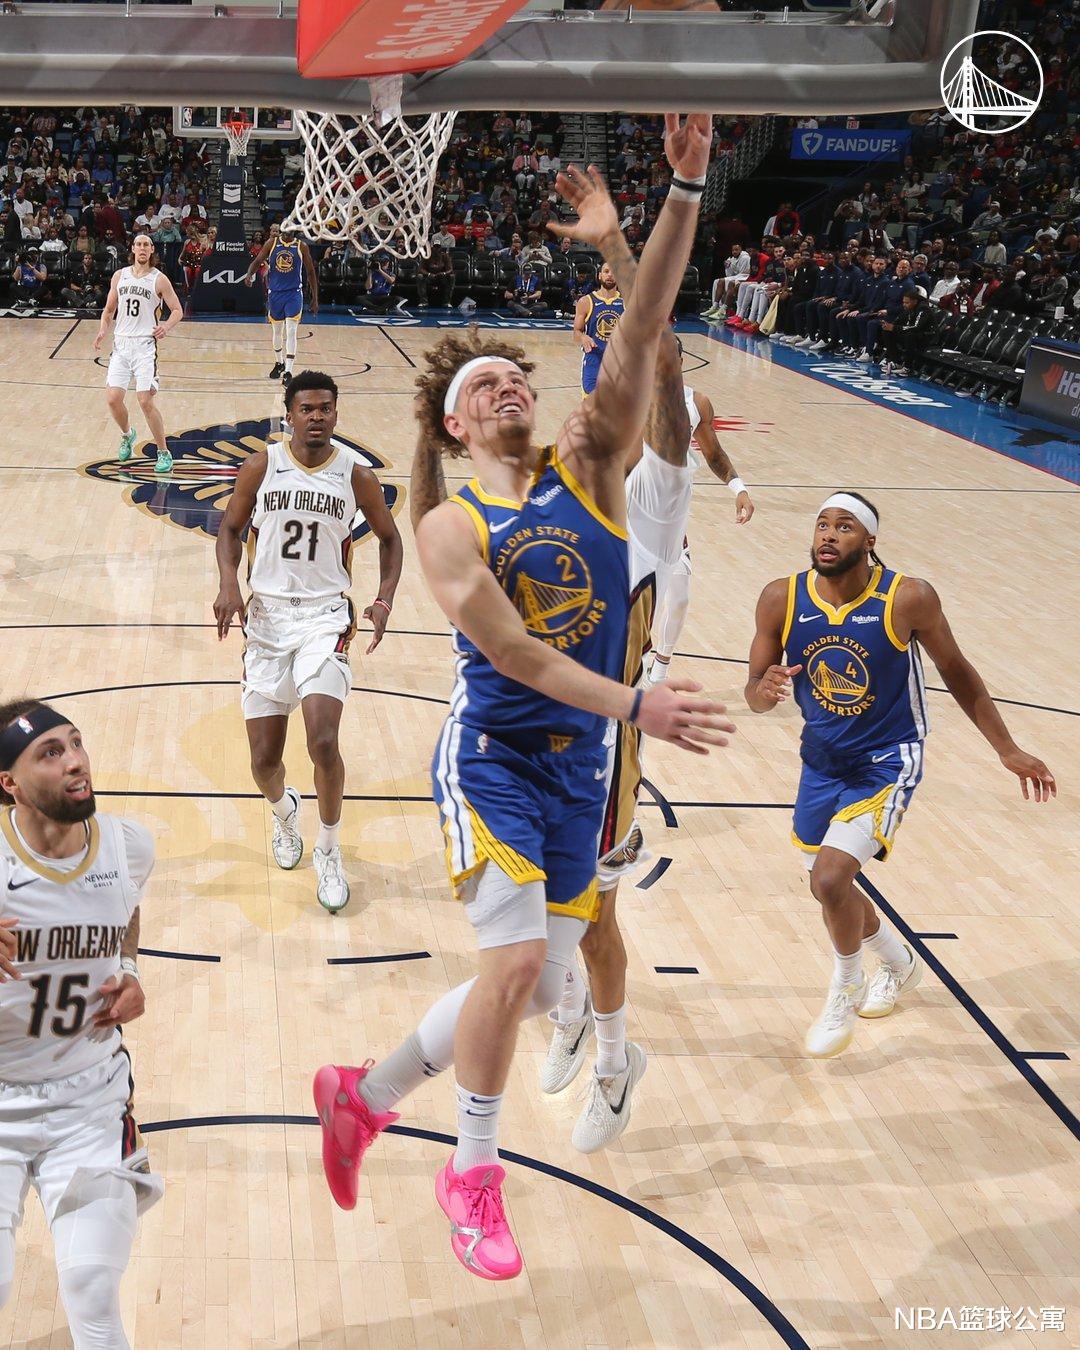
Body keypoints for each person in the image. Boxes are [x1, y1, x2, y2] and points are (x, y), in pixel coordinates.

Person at [313, 120, 732, 1281]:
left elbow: (645, 335)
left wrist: (668, 200)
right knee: (508, 975)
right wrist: (638, 708)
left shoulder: (592, 468)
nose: (508, 387)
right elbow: (517, 657)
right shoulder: (452, 526)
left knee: (543, 985)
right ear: (456, 424)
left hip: (579, 771)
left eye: (516, 378)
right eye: (483, 385)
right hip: (495, 757)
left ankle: (366, 1094)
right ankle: (473, 1175)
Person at [744, 494, 1055, 1058]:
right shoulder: (780, 597)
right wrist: (764, 691)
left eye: (844, 526)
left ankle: (846, 986)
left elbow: (956, 670)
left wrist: (1006, 749)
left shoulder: (907, 598)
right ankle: (898, 961)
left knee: (831, 880)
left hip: (887, 760)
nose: (828, 535)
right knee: (829, 887)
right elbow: (754, 693)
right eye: (822, 524)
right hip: (821, 761)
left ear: (869, 541)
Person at [0, 699, 163, 1349]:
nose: (75, 761)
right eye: (50, 752)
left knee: (93, 1285)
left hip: (89, 1096)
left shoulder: (128, 845)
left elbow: (126, 907)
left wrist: (129, 968)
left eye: (75, 743)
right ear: (9, 783)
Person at [212, 371, 403, 914]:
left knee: (322, 740)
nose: (317, 416)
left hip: (325, 617)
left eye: (325, 408)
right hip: (267, 620)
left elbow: (390, 538)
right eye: (307, 408)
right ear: (289, 415)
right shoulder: (262, 466)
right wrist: (229, 584)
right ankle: (284, 812)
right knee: (263, 761)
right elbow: (229, 530)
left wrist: (384, 600)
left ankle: (329, 849)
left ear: (336, 414)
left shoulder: (355, 475)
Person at [644, 384, 754, 686]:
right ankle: (632, 672)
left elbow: (714, 453)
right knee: (639, 605)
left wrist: (739, 488)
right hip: (635, 515)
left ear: (680, 362)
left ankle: (660, 670)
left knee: (679, 599)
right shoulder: (628, 395)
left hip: (672, 519)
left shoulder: (697, 402)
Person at [93, 233, 183, 475]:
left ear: (152, 249)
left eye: (146, 244)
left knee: (144, 400)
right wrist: (102, 330)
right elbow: (109, 310)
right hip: (121, 345)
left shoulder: (159, 279)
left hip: (144, 346)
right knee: (113, 399)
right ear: (132, 249)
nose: (142, 248)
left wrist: (166, 326)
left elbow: (177, 309)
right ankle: (127, 434)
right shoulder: (119, 276)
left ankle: (164, 452)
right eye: (138, 244)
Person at [243, 224, 319, 384]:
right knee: (277, 331)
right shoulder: (271, 243)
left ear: (294, 231)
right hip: (275, 294)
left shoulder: (301, 246)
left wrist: (315, 298)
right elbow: (257, 261)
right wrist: (249, 274)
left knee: (291, 331)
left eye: (290, 230)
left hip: (293, 294)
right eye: (285, 230)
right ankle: (279, 363)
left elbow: (311, 272)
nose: (287, 233)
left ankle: (289, 371)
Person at [574, 260, 624, 395]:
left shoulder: (627, 303)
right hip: (594, 358)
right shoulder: (586, 302)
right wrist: (583, 337)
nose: (610, 275)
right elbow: (576, 332)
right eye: (606, 271)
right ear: (600, 275)